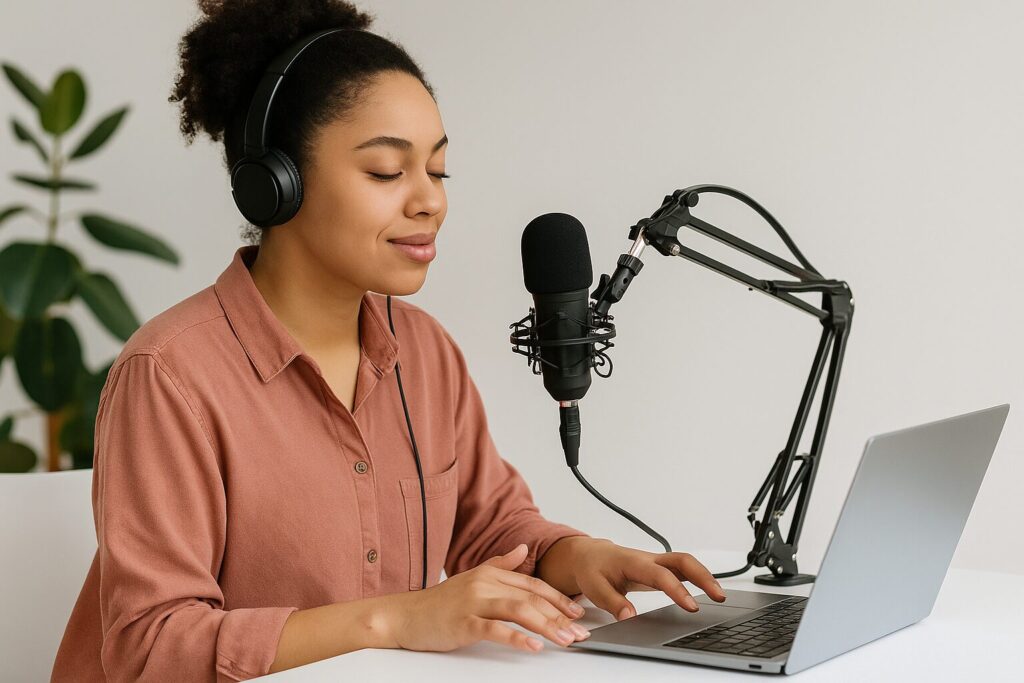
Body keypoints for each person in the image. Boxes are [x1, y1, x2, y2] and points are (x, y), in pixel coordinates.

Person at [50, 1, 725, 680]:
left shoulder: (424, 352)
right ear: (275, 186)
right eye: (385, 171)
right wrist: (398, 617)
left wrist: (579, 555)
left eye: (438, 170)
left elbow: (489, 527)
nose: (431, 200)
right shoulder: (170, 374)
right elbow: (150, 647)